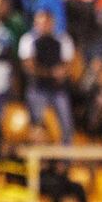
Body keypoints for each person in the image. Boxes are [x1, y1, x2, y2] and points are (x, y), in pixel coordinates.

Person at [18, 9, 75, 144]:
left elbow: (69, 63)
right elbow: (29, 66)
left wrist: (63, 71)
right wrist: (51, 73)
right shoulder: (28, 39)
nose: (44, 25)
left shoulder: (62, 38)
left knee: (66, 126)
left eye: (47, 22)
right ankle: (39, 161)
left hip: (58, 89)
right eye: (41, 23)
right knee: (37, 126)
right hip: (37, 89)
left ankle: (65, 161)